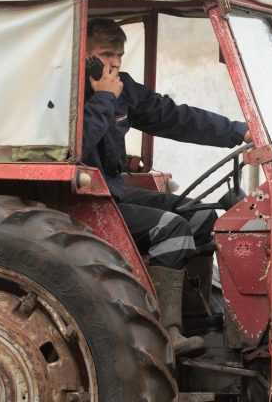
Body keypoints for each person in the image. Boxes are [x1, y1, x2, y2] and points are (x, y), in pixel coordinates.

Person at [82, 18, 252, 356]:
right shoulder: (67, 93)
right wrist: (102, 100)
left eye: (119, 54)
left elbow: (173, 117)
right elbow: (79, 146)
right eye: (105, 55)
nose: (115, 63)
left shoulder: (121, 89)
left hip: (114, 190)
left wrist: (239, 132)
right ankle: (166, 333)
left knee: (201, 215)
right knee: (171, 229)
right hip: (86, 199)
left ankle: (198, 319)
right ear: (83, 55)